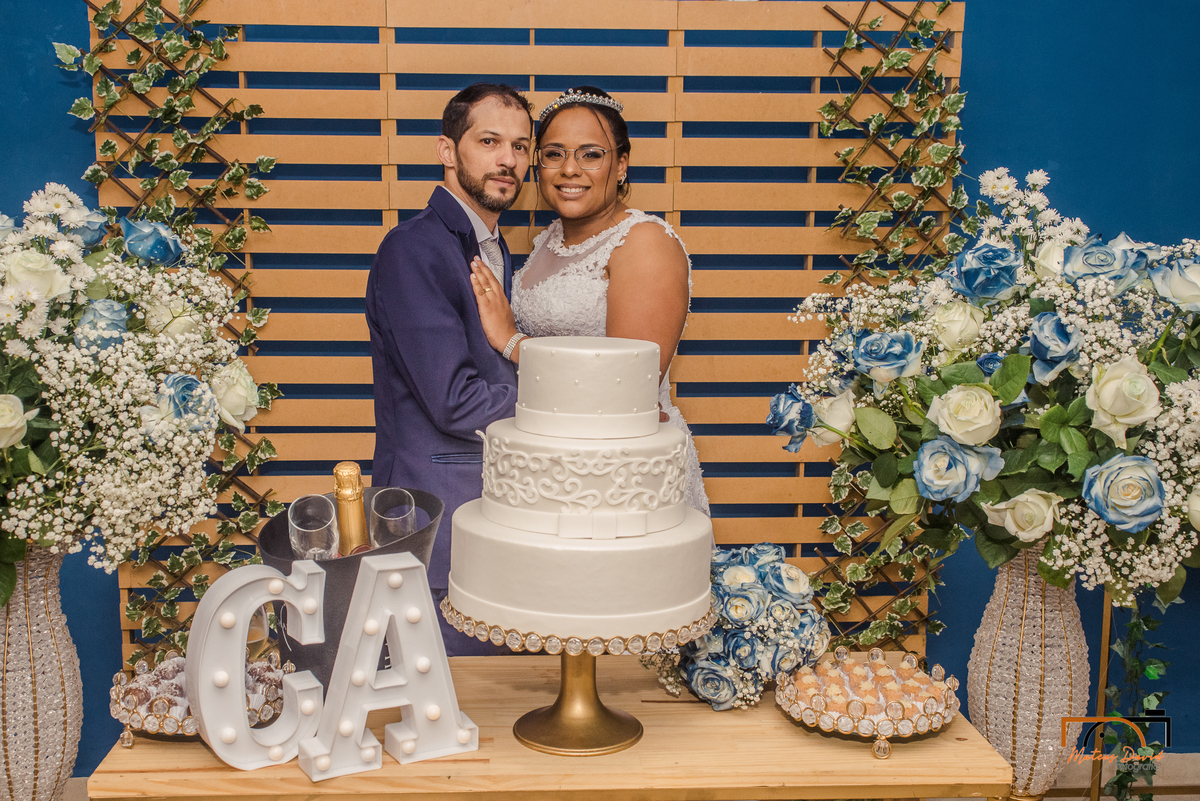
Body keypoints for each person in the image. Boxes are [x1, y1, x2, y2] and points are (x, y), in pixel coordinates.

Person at [468, 87, 711, 515]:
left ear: (621, 165)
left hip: (625, 473)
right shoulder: (545, 242)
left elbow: (627, 381)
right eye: (554, 154)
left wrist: (511, 340)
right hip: (550, 467)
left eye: (591, 155)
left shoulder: (644, 243)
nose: (570, 170)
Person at [365, 83, 533, 655]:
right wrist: (566, 403)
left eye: (520, 145)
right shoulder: (413, 248)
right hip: (437, 518)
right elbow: (454, 400)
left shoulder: (492, 246)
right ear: (446, 149)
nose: (507, 159)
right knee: (451, 708)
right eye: (488, 141)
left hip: (495, 517)